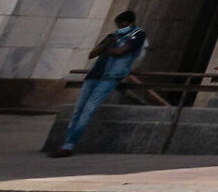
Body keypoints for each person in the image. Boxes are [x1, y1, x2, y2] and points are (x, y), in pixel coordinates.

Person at [54, 9, 148, 157]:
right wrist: (107, 46)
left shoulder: (137, 34)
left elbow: (121, 52)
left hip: (111, 76)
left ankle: (69, 145)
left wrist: (106, 49)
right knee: (78, 110)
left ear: (129, 23)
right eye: (117, 25)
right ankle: (65, 142)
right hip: (95, 74)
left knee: (88, 110)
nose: (119, 28)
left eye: (121, 24)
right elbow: (92, 54)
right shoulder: (113, 36)